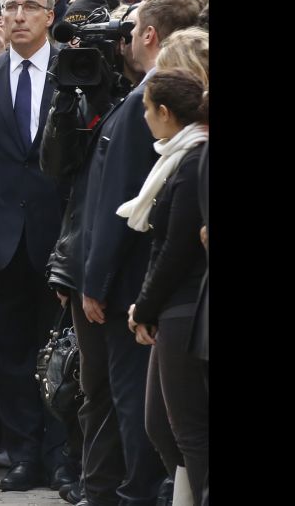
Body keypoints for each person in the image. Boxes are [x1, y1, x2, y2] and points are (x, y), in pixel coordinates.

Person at [69, 0, 200, 506]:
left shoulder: (151, 107)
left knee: (135, 401)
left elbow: (115, 202)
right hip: (144, 281)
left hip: (132, 283)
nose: (121, 40)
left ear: (149, 34)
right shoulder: (136, 100)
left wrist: (95, 282)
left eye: (130, 28)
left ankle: (139, 491)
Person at [0, 0, 72, 492]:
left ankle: (63, 456)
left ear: (50, 15)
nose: (19, 15)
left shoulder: (74, 73)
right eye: (10, 7)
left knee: (63, 352)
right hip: (0, 239)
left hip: (59, 238)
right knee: (9, 354)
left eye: (30, 6)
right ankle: (25, 454)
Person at [123, 67, 209, 506]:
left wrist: (145, 306)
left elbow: (178, 247)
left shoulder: (195, 159)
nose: (142, 116)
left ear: (164, 111)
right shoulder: (177, 157)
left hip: (188, 307)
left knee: (189, 428)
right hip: (171, 305)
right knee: (161, 423)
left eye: (145, 108)